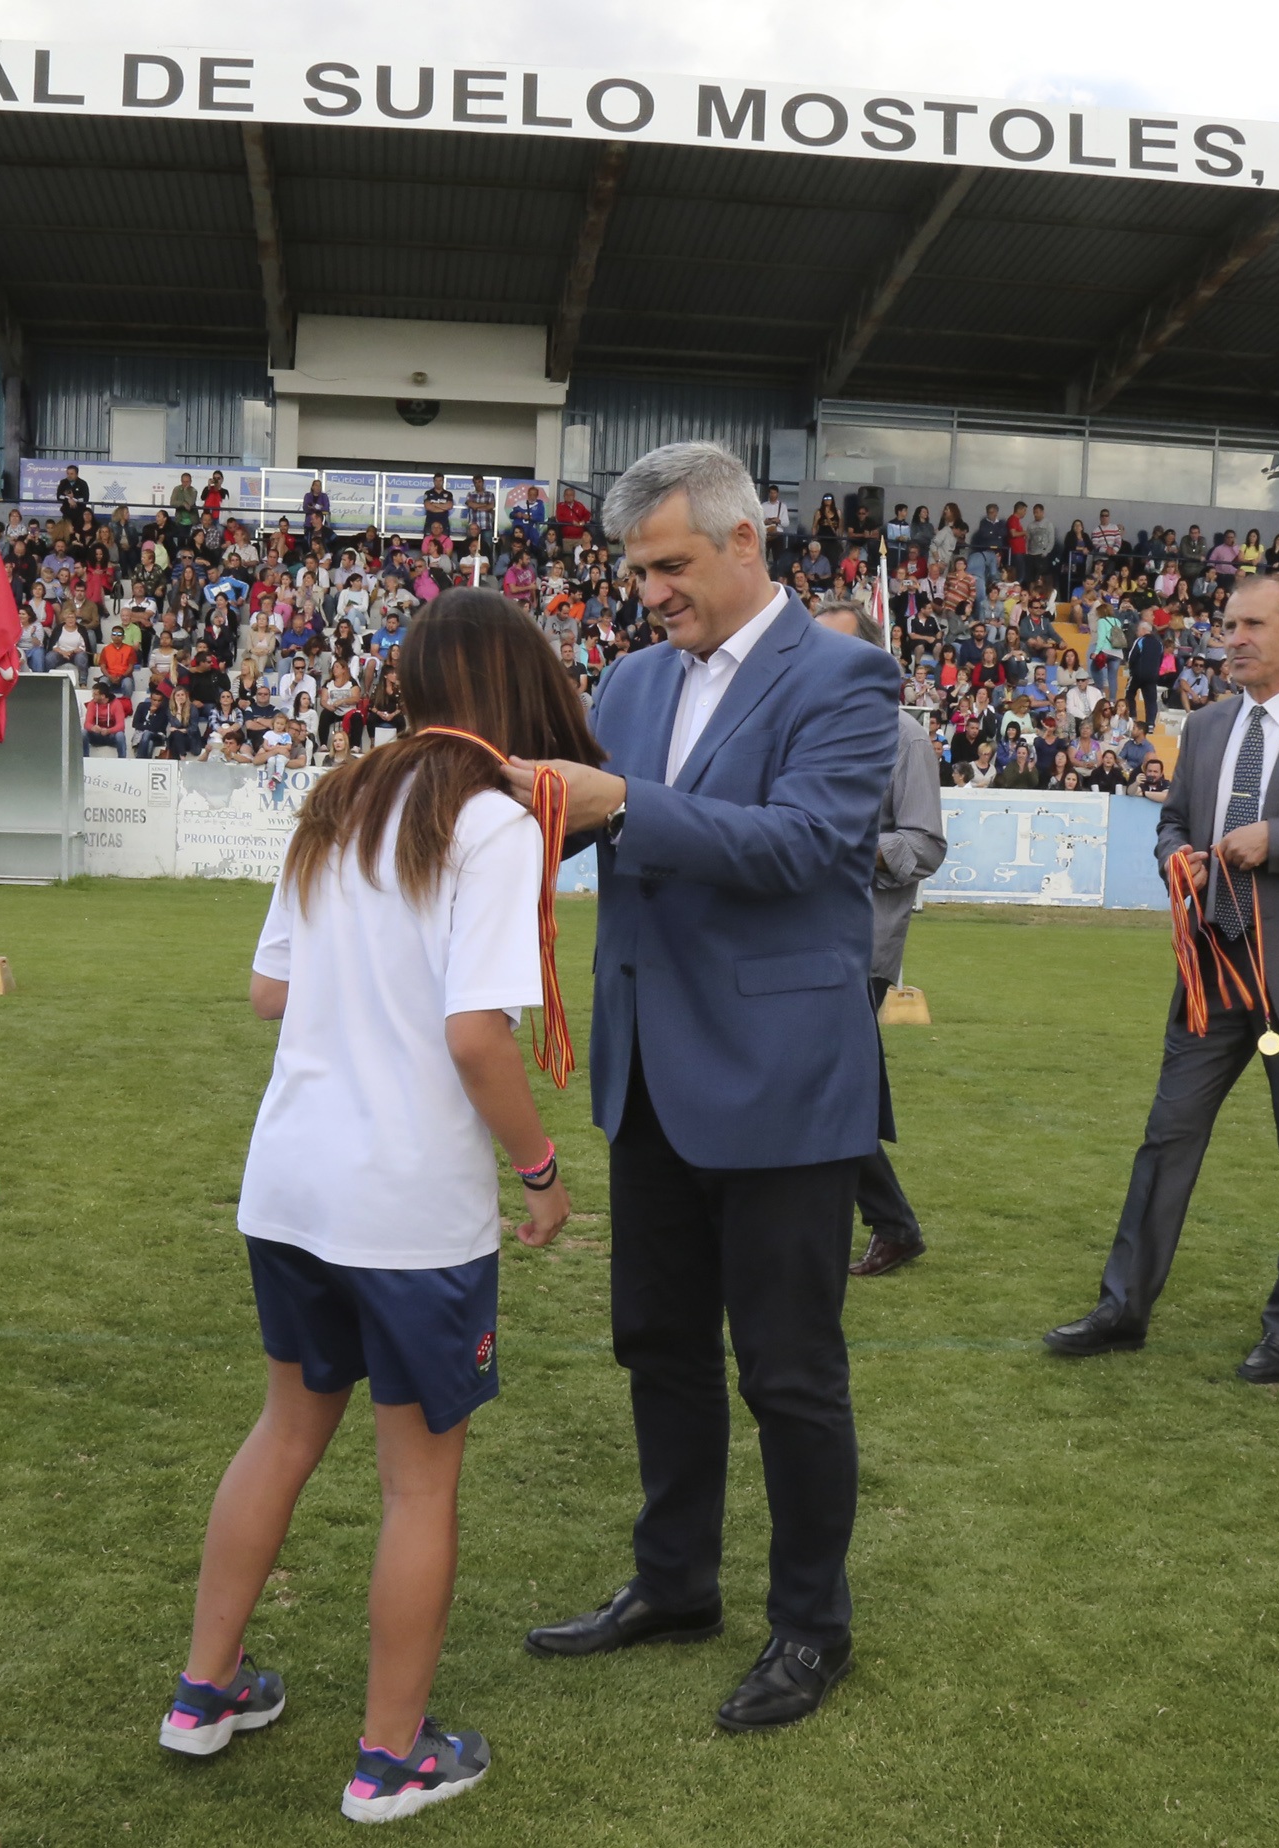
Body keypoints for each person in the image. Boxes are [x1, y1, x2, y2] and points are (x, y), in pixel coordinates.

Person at [168, 590, 583, 1822]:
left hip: (292, 1181)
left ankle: (205, 1690)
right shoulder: (492, 822)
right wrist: (542, 1171)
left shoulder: (341, 796)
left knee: (284, 1431)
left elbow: (269, 989)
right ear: (516, 687)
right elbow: (476, 1035)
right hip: (406, 1206)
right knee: (418, 1483)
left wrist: (361, 998)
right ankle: (390, 1757)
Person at [507, 442, 899, 1733]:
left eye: (669, 565)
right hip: (650, 1078)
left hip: (782, 1086)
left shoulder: (844, 675)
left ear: (744, 540)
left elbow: (806, 845)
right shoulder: (628, 680)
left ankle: (811, 1626)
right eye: (637, 571)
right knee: (658, 1347)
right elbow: (575, 817)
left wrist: (620, 806)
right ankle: (675, 1584)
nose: (651, 592)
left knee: (789, 1372)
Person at [1044, 572, 1279, 1384]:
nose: (1234, 639)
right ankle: (1122, 1309)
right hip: (1215, 965)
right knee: (1166, 1140)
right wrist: (1177, 854)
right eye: (1228, 625)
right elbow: (1176, 820)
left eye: (1252, 625)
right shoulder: (1207, 726)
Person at [811, 598, 947, 1278]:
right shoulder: (797, 728)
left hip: (859, 946)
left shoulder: (904, 738)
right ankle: (885, 1226)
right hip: (792, 938)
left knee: (827, 1087)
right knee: (828, 1087)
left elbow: (925, 846)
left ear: (869, 658)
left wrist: (844, 845)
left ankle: (887, 1225)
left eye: (836, 648)